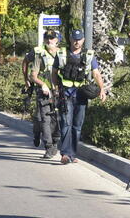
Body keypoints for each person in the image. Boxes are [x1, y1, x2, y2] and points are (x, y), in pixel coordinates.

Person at [56, 29, 106, 164]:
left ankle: (72, 154)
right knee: (66, 124)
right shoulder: (62, 54)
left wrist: (102, 89)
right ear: (70, 39)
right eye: (74, 39)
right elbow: (54, 72)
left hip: (81, 95)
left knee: (77, 126)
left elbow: (96, 73)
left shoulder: (89, 56)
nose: (77, 42)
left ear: (83, 40)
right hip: (65, 94)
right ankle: (65, 154)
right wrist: (55, 88)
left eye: (79, 39)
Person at [29, 30, 64, 159]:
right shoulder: (40, 54)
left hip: (59, 92)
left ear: (57, 40)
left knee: (56, 118)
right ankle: (49, 146)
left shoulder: (63, 54)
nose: (50, 40)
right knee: (44, 119)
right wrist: (42, 84)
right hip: (44, 92)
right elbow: (33, 75)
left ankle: (54, 142)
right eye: (47, 38)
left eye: (52, 38)